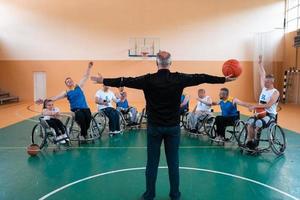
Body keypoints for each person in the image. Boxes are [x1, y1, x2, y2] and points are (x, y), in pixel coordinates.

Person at [91, 51, 235, 200]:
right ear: (170, 63)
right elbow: (202, 77)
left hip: (154, 128)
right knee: (174, 163)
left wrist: (105, 80)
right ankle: (175, 194)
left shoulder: (148, 79)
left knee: (152, 163)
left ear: (156, 63)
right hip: (173, 128)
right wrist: (223, 80)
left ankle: (149, 195)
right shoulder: (179, 78)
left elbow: (125, 81)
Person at [37, 62, 93, 140]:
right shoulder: (66, 92)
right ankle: (83, 135)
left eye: (70, 80)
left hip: (85, 108)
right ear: (66, 84)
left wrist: (89, 67)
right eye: (67, 82)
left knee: (88, 118)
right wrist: (44, 100)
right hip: (76, 110)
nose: (69, 82)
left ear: (72, 81)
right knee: (81, 118)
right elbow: (55, 98)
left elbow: (85, 76)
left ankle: (83, 132)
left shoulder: (79, 86)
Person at [246, 55, 280, 149]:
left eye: (267, 82)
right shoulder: (264, 88)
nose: (264, 83)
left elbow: (269, 105)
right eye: (264, 82)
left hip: (270, 115)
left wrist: (255, 106)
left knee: (258, 123)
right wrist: (260, 64)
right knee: (250, 122)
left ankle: (255, 144)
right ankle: (250, 141)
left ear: (272, 82)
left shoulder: (275, 92)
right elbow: (262, 74)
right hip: (260, 113)